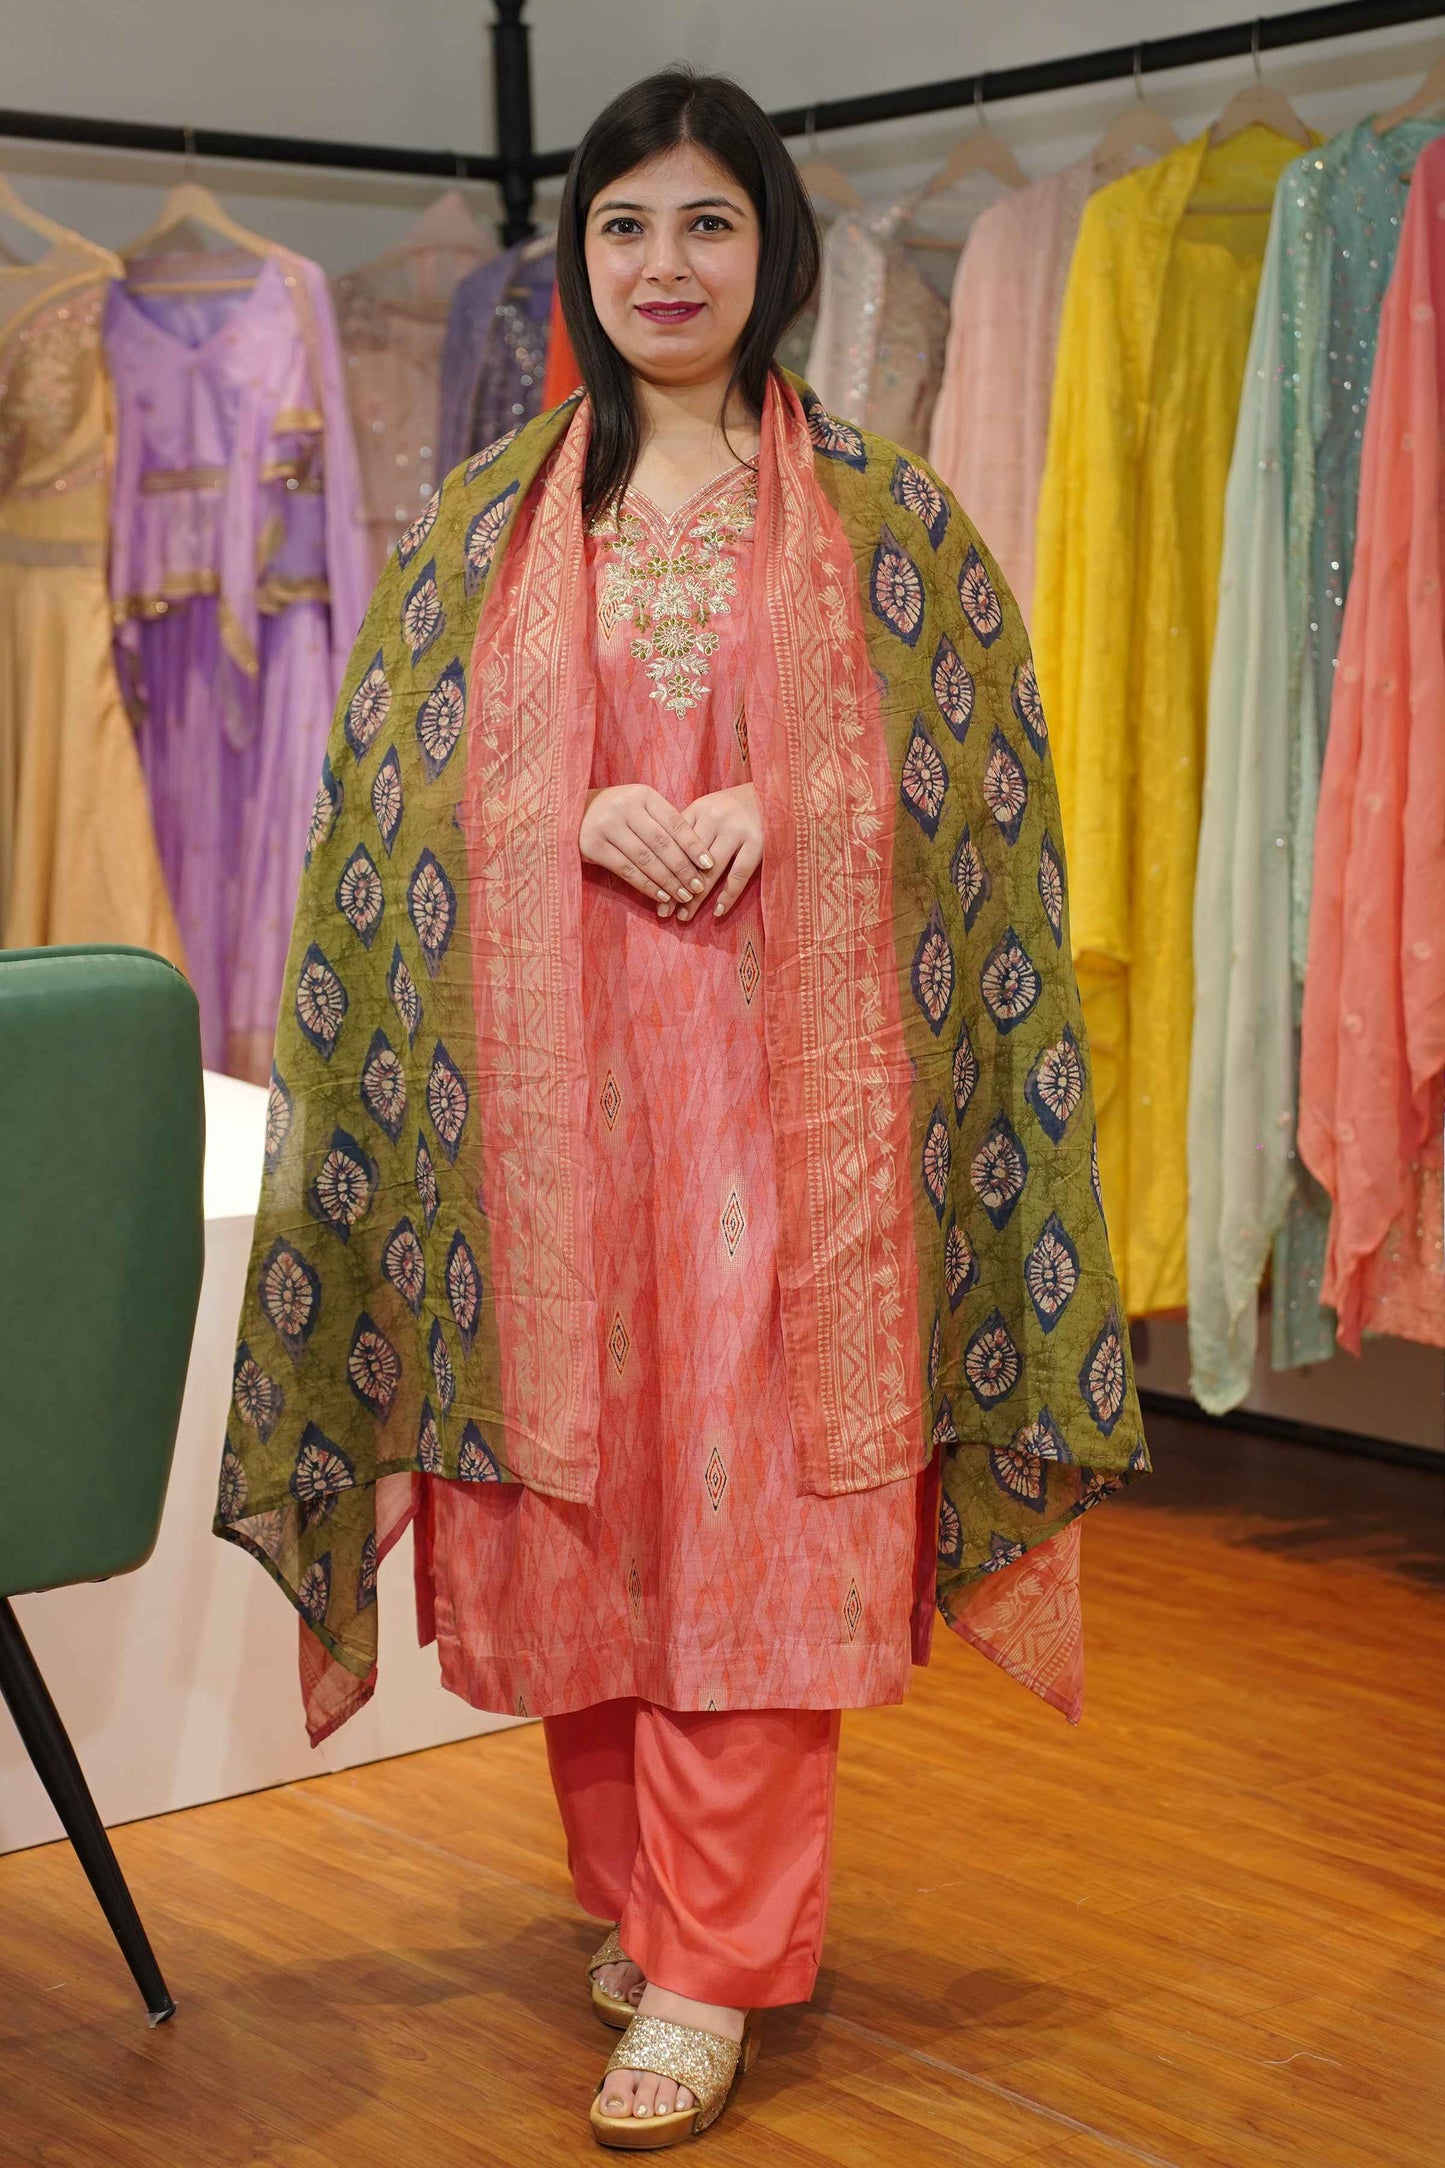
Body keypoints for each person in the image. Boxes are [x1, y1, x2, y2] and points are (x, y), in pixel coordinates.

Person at [216, 68, 1147, 2150]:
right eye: (625, 224)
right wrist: (563, 809)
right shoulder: (490, 523)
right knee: (583, 1520)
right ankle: (642, 1899)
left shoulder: (888, 523)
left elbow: (987, 805)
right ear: (581, 255)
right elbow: (380, 813)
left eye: (707, 222)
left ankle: (715, 1964)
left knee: (751, 1522)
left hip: (790, 1128)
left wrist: (788, 804)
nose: (664, 264)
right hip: (554, 1127)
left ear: (771, 250)